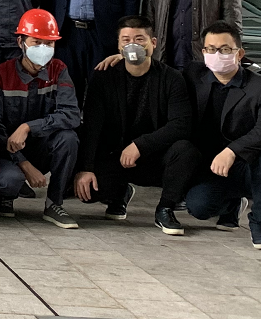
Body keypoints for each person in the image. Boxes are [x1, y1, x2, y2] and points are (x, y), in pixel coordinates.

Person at [75, 16, 199, 236]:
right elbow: (92, 125)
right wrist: (86, 168)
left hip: (155, 157)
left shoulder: (172, 78)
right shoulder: (104, 76)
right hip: (117, 156)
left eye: (139, 39)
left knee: (185, 150)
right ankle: (118, 194)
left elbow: (181, 125)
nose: (132, 45)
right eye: (126, 40)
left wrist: (141, 145)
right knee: (88, 191)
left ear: (153, 43)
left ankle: (165, 208)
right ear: (118, 46)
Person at [184, 21, 261, 250]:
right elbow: (159, 75)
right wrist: (122, 59)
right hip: (212, 166)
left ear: (239, 53)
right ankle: (231, 205)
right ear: (203, 51)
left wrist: (232, 151)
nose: (217, 55)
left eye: (225, 49)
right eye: (211, 49)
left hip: (249, 164)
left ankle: (260, 225)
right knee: (198, 208)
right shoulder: (193, 75)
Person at [0, 9, 80, 228]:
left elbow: (71, 114)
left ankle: (54, 203)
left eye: (49, 43)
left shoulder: (59, 70)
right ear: (21, 42)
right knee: (9, 180)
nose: (43, 49)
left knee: (68, 138)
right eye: (36, 42)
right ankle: (5, 196)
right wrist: (24, 164)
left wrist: (28, 127)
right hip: (7, 151)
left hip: (41, 146)